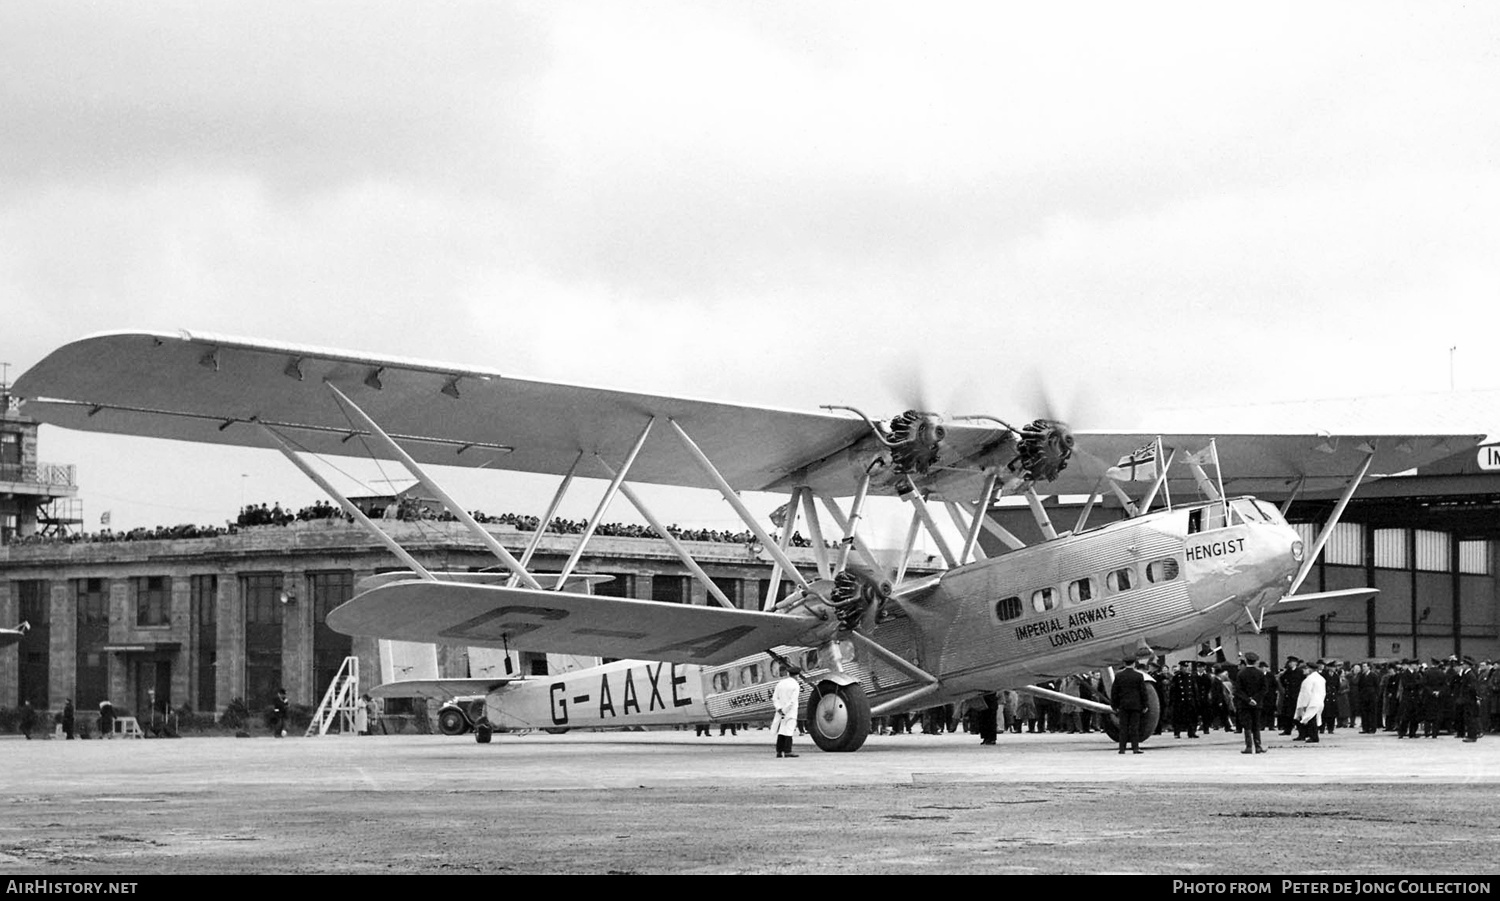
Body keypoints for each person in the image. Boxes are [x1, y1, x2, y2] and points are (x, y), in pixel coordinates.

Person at [1110, 654, 1150, 755]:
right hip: (1136, 705)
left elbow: (1114, 692)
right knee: (1134, 727)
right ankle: (1135, 748)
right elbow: (1143, 692)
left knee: (1123, 727)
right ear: (1134, 663)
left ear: (1124, 663)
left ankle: (1122, 749)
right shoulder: (1139, 676)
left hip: (1123, 705)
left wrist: (1114, 705)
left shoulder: (1119, 675)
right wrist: (1145, 705)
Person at [1233, 652, 1268, 754]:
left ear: (1246, 661)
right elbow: (1264, 689)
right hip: (1257, 704)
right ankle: (1258, 746)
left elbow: (1238, 690)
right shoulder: (1260, 673)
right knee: (1256, 725)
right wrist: (1256, 699)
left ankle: (1249, 746)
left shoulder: (1241, 674)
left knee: (1247, 725)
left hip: (1244, 704)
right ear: (1256, 661)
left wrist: (1248, 700)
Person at [770, 665, 802, 758]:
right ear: (797, 675)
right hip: (790, 712)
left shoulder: (780, 683)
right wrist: (785, 710)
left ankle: (779, 752)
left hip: (780, 712)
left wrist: (779, 709)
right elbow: (792, 701)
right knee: (789, 731)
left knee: (781, 731)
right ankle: (788, 751)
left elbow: (775, 698)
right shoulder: (795, 685)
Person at [1294, 661, 1326, 743]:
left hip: (1311, 702)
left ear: (1311, 670)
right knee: (1313, 719)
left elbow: (1306, 693)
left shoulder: (1308, 680)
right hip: (1319, 701)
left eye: (1306, 669)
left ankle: (1313, 737)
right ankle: (1311, 735)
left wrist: (1304, 704)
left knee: (1310, 720)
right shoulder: (1321, 678)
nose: (1304, 670)